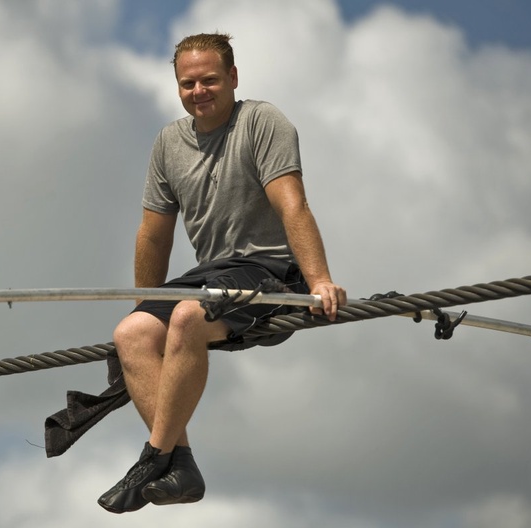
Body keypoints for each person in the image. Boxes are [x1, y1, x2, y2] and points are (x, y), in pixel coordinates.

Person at [97, 32, 347, 514]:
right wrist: (145, 307)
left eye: (209, 80)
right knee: (131, 333)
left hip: (272, 272)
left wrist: (319, 280)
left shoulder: (260, 121)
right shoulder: (170, 142)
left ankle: (152, 459)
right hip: (211, 275)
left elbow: (292, 203)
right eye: (188, 83)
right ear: (177, 87)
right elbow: (153, 234)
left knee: (189, 317)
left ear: (233, 77)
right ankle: (182, 465)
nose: (199, 91)